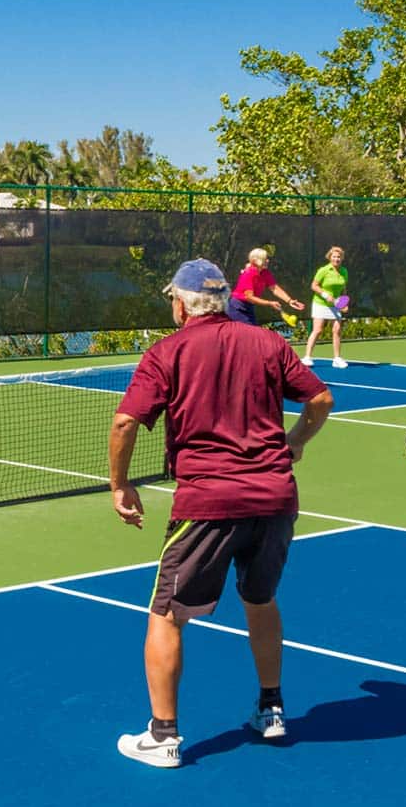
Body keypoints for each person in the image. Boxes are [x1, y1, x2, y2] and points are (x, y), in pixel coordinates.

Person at [109, 258, 333, 769]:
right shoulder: (269, 343)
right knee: (261, 598)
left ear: (180, 302)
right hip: (275, 500)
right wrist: (295, 442)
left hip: (208, 503)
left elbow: (125, 424)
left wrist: (120, 486)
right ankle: (271, 709)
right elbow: (320, 398)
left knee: (167, 614)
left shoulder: (167, 351)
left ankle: (163, 737)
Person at [225, 247, 305, 327]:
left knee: (252, 333)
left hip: (249, 307)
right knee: (248, 334)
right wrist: (269, 303)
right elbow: (249, 297)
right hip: (237, 308)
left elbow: (275, 288)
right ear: (255, 260)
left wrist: (289, 300)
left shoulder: (265, 273)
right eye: (265, 259)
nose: (268, 260)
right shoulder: (248, 274)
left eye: (267, 258)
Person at [301, 245, 349, 368]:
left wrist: (344, 303)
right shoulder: (323, 270)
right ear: (330, 257)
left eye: (339, 257)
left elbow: (344, 289)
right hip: (320, 303)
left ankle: (337, 359)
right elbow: (314, 285)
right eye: (334, 256)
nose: (336, 259)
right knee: (318, 330)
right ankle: (307, 357)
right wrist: (324, 294)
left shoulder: (344, 271)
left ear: (341, 258)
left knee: (337, 330)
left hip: (335, 304)